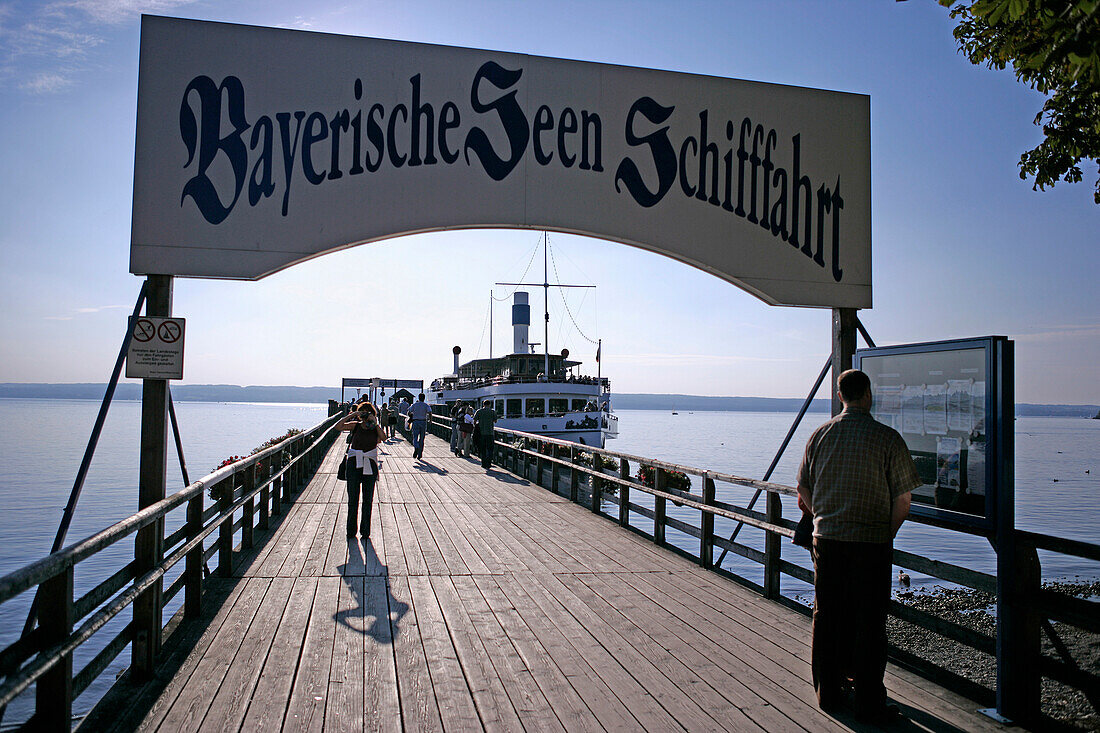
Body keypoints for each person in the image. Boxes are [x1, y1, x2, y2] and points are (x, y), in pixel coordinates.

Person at [796, 369, 920, 724]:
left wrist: (823, 515)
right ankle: (868, 701)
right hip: (870, 543)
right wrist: (886, 532)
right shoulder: (888, 438)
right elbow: (904, 498)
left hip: (828, 540)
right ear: (868, 395)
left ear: (840, 396)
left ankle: (828, 694)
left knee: (827, 614)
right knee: (869, 621)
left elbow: (802, 486)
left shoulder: (820, 435)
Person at [337, 403, 385, 538]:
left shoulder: (374, 428)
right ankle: (351, 531)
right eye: (362, 412)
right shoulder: (356, 425)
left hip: (369, 463)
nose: (364, 415)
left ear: (373, 414)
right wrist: (352, 415)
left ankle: (365, 531)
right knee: (353, 499)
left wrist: (375, 423)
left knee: (367, 500)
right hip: (353, 464)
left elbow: (384, 438)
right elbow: (338, 427)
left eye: (367, 413)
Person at [473, 399, 497, 469]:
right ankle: (489, 463)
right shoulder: (492, 411)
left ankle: (483, 463)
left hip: (481, 433)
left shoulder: (479, 411)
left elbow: (474, 420)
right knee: (490, 449)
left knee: (483, 448)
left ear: (483, 404)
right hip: (490, 433)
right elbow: (495, 421)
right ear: (489, 404)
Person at [407, 392, 432, 459]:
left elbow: (409, 411)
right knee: (422, 438)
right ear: (424, 398)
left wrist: (411, 416)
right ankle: (420, 454)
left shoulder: (414, 405)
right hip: (423, 421)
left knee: (415, 437)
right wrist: (430, 420)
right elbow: (430, 412)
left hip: (415, 421)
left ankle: (416, 447)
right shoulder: (426, 405)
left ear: (418, 398)